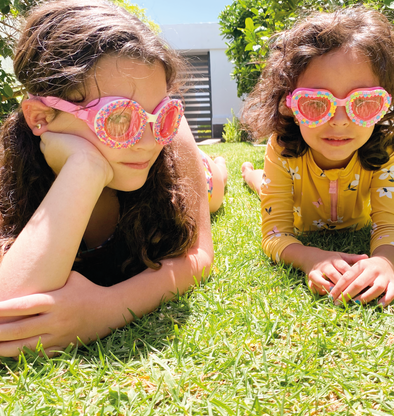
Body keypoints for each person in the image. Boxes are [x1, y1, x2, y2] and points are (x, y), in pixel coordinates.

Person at [0, 0, 227, 357]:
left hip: (189, 171)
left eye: (161, 113)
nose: (150, 141)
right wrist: (84, 167)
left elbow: (199, 254)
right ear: (41, 117)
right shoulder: (13, 167)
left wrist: (106, 309)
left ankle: (225, 168)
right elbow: (10, 314)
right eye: (118, 117)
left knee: (213, 190)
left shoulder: (170, 137)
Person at [241, 6, 394, 307]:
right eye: (317, 103)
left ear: (386, 102)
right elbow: (275, 233)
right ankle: (248, 173)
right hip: (292, 196)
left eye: (363, 102)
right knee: (260, 183)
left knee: (264, 183)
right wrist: (310, 257)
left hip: (343, 216)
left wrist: (386, 261)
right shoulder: (283, 149)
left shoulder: (381, 149)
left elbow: (392, 225)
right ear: (288, 104)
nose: (340, 120)